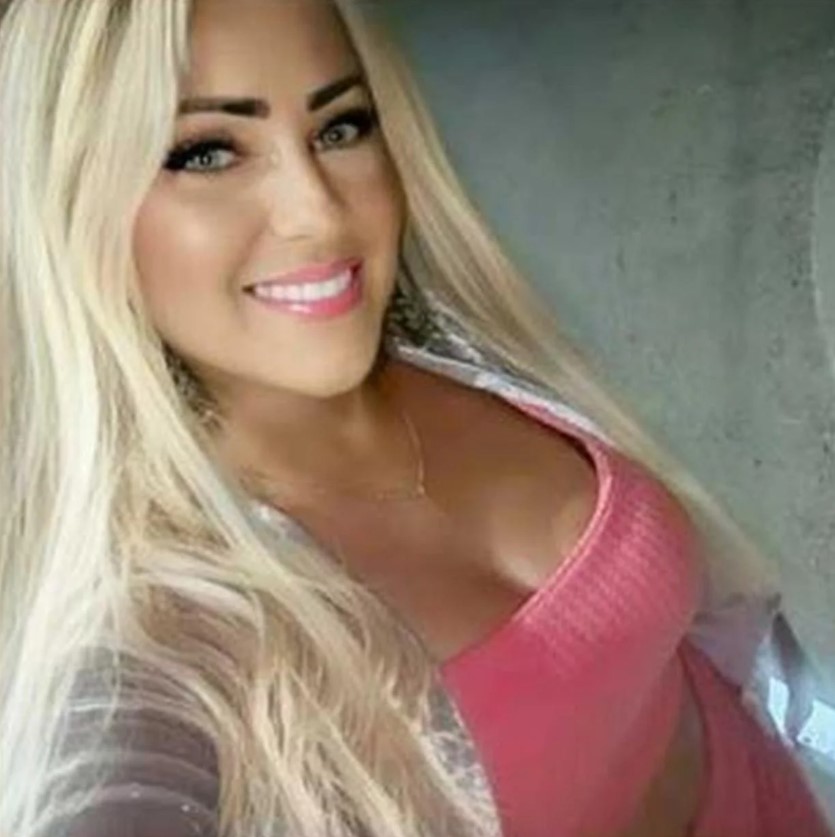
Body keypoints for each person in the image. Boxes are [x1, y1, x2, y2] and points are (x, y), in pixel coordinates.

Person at [0, 0, 830, 835]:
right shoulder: (153, 643)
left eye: (339, 127)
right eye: (207, 152)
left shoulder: (456, 346)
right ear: (71, 203)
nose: (320, 212)